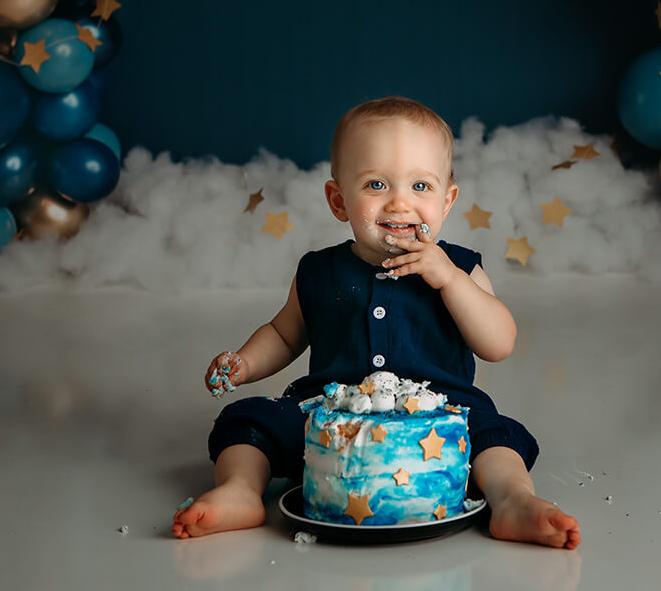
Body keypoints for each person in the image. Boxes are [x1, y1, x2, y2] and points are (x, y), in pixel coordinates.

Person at [173, 97, 581, 549]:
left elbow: (499, 341)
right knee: (248, 422)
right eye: (376, 184)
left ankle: (513, 502)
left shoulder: (459, 268)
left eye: (421, 187)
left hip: (441, 416)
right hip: (327, 417)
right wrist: (245, 363)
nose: (400, 203)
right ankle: (241, 491)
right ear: (338, 200)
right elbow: (284, 333)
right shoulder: (319, 271)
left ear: (447, 202)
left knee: (496, 438)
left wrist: (448, 280)